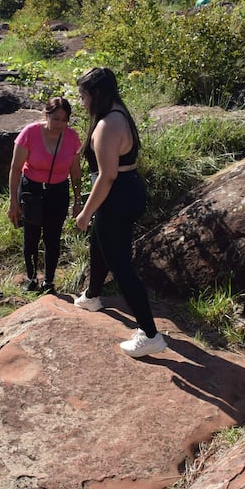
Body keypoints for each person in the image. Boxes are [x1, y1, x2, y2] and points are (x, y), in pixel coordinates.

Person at [73, 67, 167, 358]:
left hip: (116, 195)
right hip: (128, 190)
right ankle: (92, 295)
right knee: (100, 242)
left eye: (83, 96)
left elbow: (107, 176)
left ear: (96, 94)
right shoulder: (118, 112)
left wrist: (85, 212)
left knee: (121, 266)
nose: (82, 102)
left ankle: (149, 334)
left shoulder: (107, 125)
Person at [8, 97, 82, 294]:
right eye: (56, 119)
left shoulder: (72, 137)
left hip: (58, 191)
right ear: (46, 115)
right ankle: (32, 278)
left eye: (64, 120)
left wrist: (78, 200)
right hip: (32, 189)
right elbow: (15, 168)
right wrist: (13, 201)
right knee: (31, 234)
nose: (60, 124)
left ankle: (49, 281)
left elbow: (76, 172)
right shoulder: (29, 133)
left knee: (53, 237)